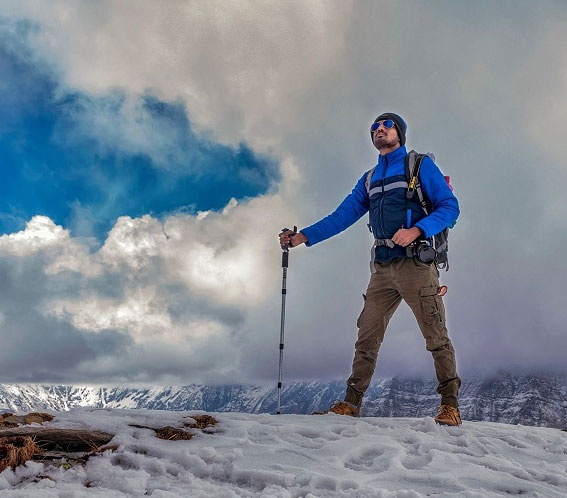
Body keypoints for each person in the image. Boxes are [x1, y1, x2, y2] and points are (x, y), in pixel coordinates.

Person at [279, 112, 462, 426]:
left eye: (386, 125)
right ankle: (351, 404)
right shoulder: (369, 179)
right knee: (367, 337)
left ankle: (450, 406)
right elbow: (343, 215)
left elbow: (450, 207)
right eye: (374, 127)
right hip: (381, 267)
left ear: (399, 133)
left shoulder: (419, 167)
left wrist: (418, 230)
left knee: (435, 335)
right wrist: (302, 237)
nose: (379, 130)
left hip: (415, 264)